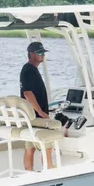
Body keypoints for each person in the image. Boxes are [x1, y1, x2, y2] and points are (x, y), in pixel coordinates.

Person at [20, 41, 58, 171]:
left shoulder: (29, 69)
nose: (43, 55)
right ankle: (50, 171)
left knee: (30, 147)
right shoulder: (29, 70)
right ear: (31, 54)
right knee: (47, 147)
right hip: (36, 117)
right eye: (40, 53)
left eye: (43, 53)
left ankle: (28, 173)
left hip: (30, 118)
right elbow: (28, 94)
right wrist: (41, 112)